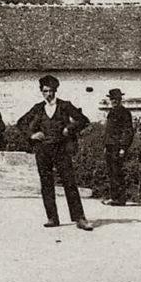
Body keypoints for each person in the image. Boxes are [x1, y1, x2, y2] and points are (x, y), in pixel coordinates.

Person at [15, 75, 94, 231]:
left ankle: (79, 218)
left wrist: (69, 129)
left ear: (56, 91)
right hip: (43, 150)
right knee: (46, 183)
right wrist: (32, 135)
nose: (48, 94)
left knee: (69, 182)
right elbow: (21, 123)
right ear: (41, 92)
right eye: (45, 91)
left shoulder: (65, 106)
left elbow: (83, 120)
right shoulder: (37, 108)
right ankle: (52, 217)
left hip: (61, 149)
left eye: (51, 91)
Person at [102, 88, 135, 206]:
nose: (113, 101)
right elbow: (108, 131)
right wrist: (105, 146)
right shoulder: (111, 112)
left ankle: (120, 199)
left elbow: (128, 131)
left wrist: (123, 147)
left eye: (116, 99)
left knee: (117, 172)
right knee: (111, 172)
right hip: (110, 146)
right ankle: (113, 197)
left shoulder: (124, 113)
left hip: (118, 147)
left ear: (120, 99)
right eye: (112, 99)